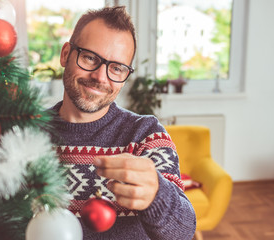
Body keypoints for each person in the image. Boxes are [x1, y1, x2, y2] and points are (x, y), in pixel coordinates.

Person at [49, 6, 196, 240]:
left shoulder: (146, 136)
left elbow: (184, 231)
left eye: (116, 68)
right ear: (66, 54)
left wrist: (157, 195)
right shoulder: (25, 134)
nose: (100, 77)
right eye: (89, 57)